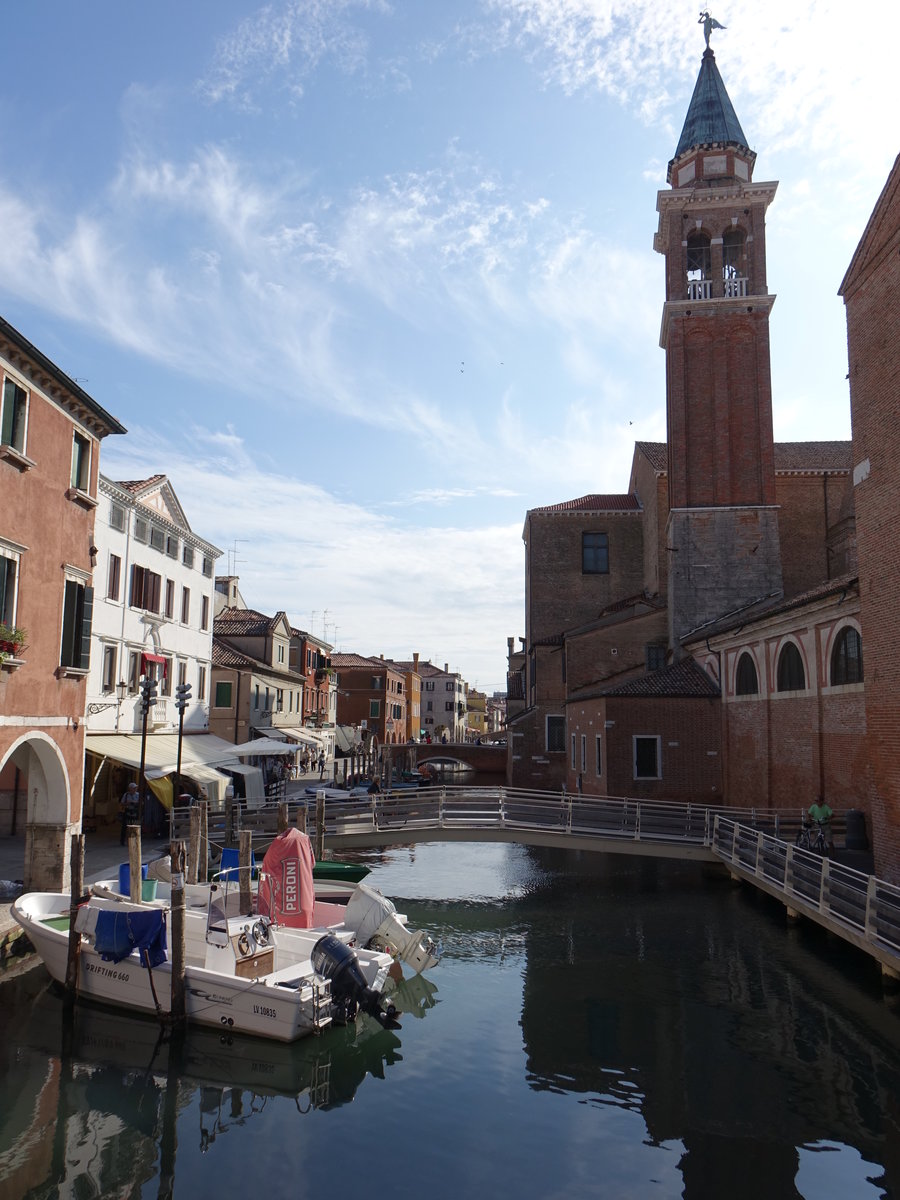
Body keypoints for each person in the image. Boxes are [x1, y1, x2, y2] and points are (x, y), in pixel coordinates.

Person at [119, 782, 139, 846]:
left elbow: (141, 803)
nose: (135, 789)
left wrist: (135, 803)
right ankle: (122, 841)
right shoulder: (126, 795)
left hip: (134, 812)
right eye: (134, 788)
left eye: (135, 788)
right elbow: (122, 803)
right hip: (127, 812)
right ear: (130, 789)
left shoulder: (138, 795)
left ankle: (134, 840)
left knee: (134, 826)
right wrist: (127, 803)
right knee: (124, 827)